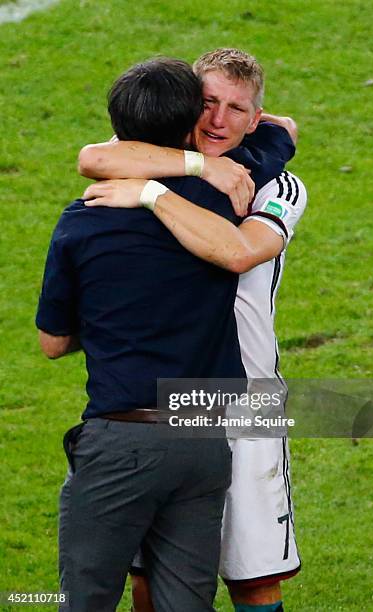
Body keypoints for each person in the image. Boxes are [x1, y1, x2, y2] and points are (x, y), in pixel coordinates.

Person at [36, 56, 291, 612]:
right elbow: (93, 155)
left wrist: (151, 192)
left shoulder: (270, 184)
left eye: (237, 109)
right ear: (184, 114)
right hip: (202, 421)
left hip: (237, 408)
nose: (219, 120)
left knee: (252, 571)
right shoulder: (189, 176)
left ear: (255, 117)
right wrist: (191, 170)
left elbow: (238, 251)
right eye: (207, 105)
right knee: (164, 581)